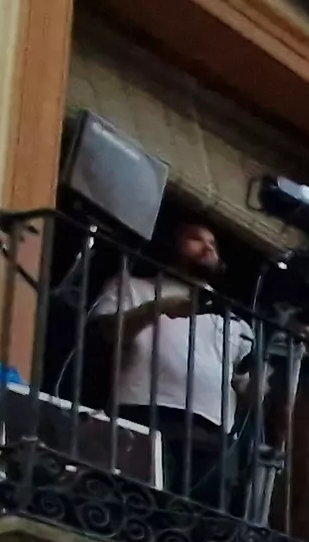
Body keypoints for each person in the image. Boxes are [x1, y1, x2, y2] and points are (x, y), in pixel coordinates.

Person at [86, 213, 257, 505]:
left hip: (213, 437)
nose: (208, 247)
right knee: (136, 509)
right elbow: (105, 333)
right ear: (171, 245)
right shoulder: (133, 286)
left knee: (201, 529)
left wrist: (275, 380)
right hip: (144, 417)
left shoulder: (235, 321)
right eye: (195, 239)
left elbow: (247, 392)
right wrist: (156, 308)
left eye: (213, 243)